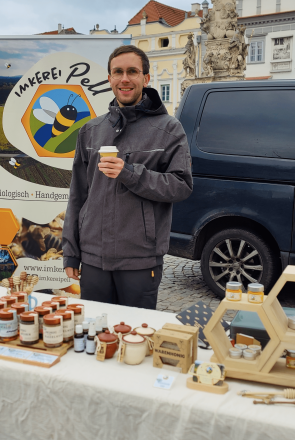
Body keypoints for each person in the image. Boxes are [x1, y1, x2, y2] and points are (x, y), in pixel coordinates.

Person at [62, 45, 193, 309]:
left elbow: (181, 186)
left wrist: (130, 173)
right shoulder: (91, 131)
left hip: (140, 259)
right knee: (96, 334)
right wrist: (71, 253)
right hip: (93, 258)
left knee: (136, 336)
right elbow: (78, 195)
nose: (124, 78)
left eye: (132, 71)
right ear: (109, 78)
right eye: (117, 72)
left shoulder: (168, 129)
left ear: (145, 78)